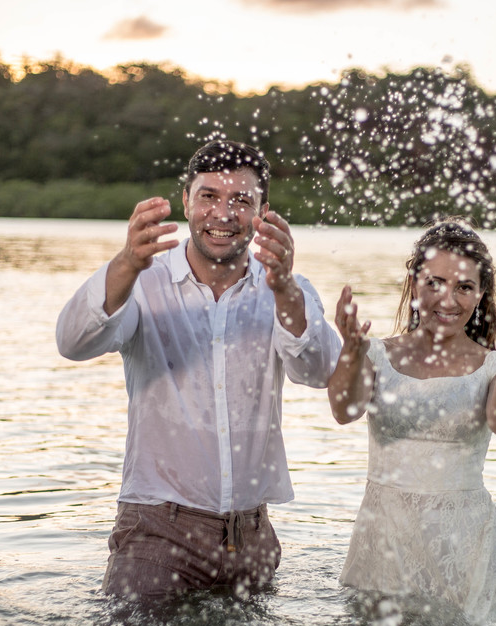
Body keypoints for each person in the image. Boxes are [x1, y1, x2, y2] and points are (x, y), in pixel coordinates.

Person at [56, 140, 341, 601]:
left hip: (253, 538)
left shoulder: (287, 290)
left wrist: (285, 288)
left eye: (240, 201)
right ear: (186, 200)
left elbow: (320, 371)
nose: (223, 213)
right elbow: (73, 342)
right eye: (208, 196)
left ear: (263, 212)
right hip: (156, 532)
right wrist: (128, 261)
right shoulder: (143, 282)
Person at [327, 218, 496, 621]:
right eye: (436, 283)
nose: (448, 300)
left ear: (480, 295)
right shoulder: (377, 354)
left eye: (464, 287)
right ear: (414, 283)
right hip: (385, 539)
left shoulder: (492, 364)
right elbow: (344, 411)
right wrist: (350, 350)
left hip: (465, 543)